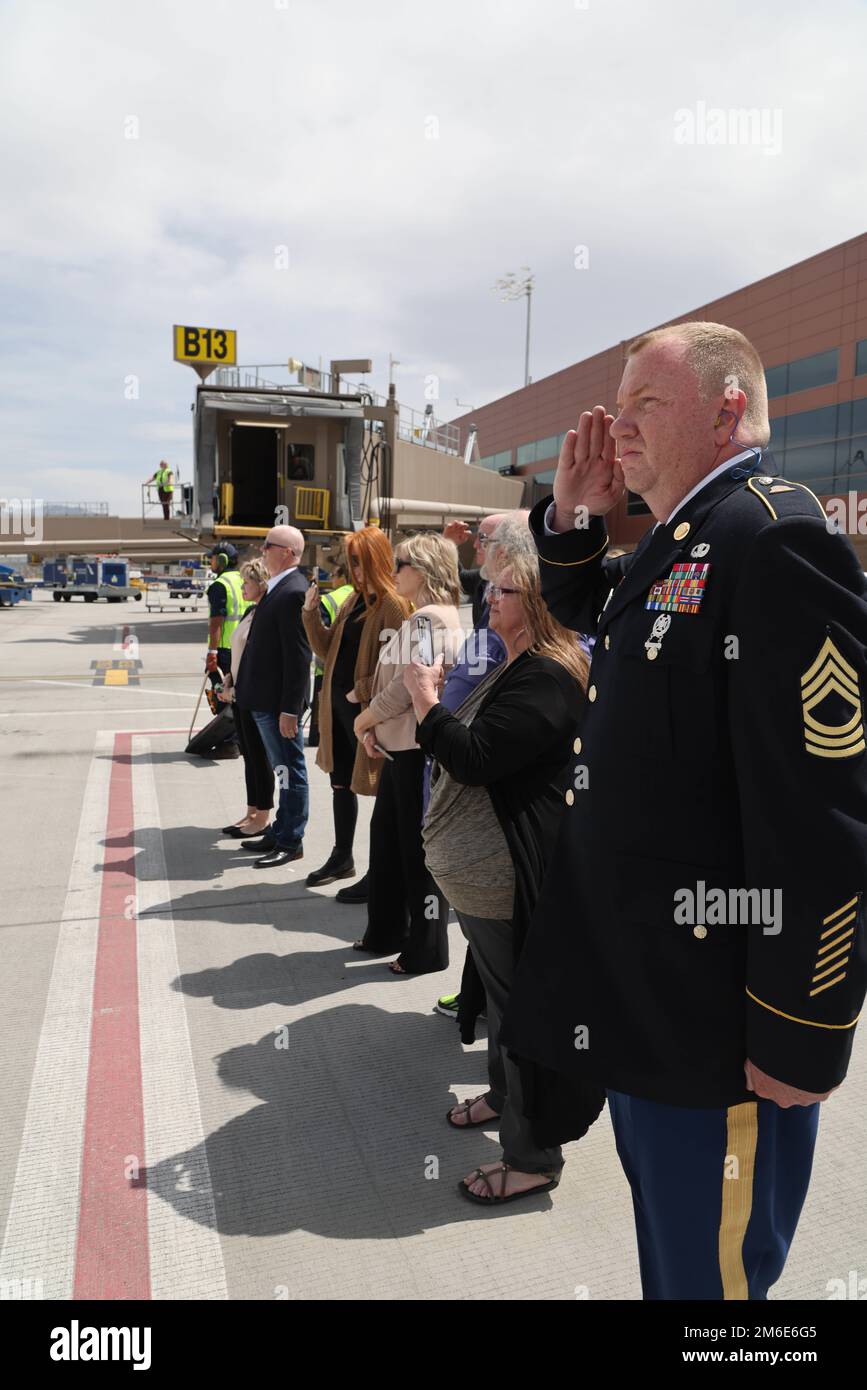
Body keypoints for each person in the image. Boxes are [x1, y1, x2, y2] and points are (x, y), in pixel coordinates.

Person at [500, 321, 867, 1297]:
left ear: (727, 408)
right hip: (652, 1015)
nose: (619, 429)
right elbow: (617, 625)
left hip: (721, 1043)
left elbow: (824, 813)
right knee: (678, 1271)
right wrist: (575, 516)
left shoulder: (774, 533)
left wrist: (802, 1028)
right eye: (616, 411)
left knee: (716, 1289)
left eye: (645, 407)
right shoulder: (690, 535)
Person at [405, 542, 601, 1206]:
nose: (488, 598)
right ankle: (500, 1097)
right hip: (484, 875)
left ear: (538, 604)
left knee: (519, 1013)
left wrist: (424, 700)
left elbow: (475, 757)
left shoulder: (548, 672)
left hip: (507, 875)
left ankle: (529, 1157)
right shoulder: (519, 662)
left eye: (504, 592)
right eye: (490, 589)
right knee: (497, 1000)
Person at [351, 533, 463, 974]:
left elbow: (408, 684)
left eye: (402, 563)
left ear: (425, 569)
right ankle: (391, 933)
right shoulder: (433, 616)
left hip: (413, 750)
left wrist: (365, 720)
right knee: (395, 846)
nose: (394, 570)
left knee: (414, 854)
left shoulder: (427, 620)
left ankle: (425, 948)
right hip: (407, 745)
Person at [301, 527, 410, 887]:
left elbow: (398, 665)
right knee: (341, 785)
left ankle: (379, 872)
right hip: (342, 714)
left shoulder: (393, 604)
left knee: (380, 791)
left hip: (370, 713)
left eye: (361, 563)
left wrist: (359, 689)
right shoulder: (354, 599)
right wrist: (311, 615)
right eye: (352, 564)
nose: (356, 572)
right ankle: (342, 856)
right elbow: (327, 648)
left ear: (379, 560)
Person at [233, 525, 311, 870]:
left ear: (288, 553)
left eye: (268, 545)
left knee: (288, 770)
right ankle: (280, 830)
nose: (262, 550)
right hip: (261, 701)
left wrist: (290, 709)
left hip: (276, 705)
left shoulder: (293, 591)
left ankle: (291, 840)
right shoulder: (279, 589)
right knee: (281, 770)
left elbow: (298, 657)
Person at [216, 559, 274, 839]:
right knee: (249, 757)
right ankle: (251, 811)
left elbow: (261, 661)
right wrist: (229, 678)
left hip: (253, 696)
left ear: (261, 583)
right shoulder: (250, 611)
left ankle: (262, 816)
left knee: (259, 757)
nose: (242, 587)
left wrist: (237, 689)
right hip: (239, 693)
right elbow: (240, 653)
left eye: (246, 583)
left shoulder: (266, 614)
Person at [203, 542, 249, 759]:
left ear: (220, 560)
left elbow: (217, 622)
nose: (210, 561)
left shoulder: (220, 585)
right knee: (238, 696)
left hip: (224, 650)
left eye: (212, 558)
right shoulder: (242, 581)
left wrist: (212, 652)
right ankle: (239, 740)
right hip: (243, 648)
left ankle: (229, 743)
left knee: (222, 694)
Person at [307, 562, 354, 749]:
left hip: (326, 668)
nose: (332, 579)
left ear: (343, 577)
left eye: (334, 575)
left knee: (322, 730)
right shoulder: (366, 595)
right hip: (352, 671)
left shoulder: (330, 599)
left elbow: (320, 636)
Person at [444, 513, 506, 627]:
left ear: (505, 544)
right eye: (477, 537)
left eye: (482, 538)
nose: (475, 545)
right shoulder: (484, 577)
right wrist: (448, 544)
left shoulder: (521, 588)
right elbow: (458, 577)